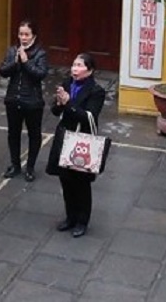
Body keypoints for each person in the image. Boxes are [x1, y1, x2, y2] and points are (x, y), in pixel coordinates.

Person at [45, 52, 106, 238]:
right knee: (65, 180)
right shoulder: (67, 84)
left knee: (81, 183)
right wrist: (59, 102)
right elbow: (55, 111)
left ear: (90, 70)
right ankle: (70, 217)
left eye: (79, 65)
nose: (75, 69)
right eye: (74, 65)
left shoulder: (96, 91)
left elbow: (88, 117)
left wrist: (69, 103)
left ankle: (82, 221)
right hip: (64, 137)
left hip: (82, 140)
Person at [0, 19, 48, 181]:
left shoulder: (40, 53)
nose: (23, 38)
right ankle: (15, 164)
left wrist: (26, 62)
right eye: (21, 34)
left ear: (34, 36)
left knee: (34, 134)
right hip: (13, 99)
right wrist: (15, 63)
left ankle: (30, 167)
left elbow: (40, 74)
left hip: (32, 101)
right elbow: (3, 71)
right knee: (13, 133)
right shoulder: (12, 51)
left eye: (27, 34)